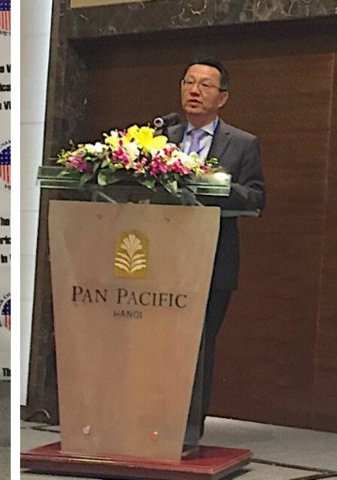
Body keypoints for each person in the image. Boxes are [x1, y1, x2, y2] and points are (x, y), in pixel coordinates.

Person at [165, 57, 266, 437]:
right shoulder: (160, 138)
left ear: (221, 98)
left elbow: (256, 197)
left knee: (199, 346)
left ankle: (189, 430)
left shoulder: (242, 144)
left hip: (212, 262)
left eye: (205, 85)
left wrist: (214, 182)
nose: (194, 90)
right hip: (161, 259)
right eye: (188, 82)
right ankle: (148, 419)